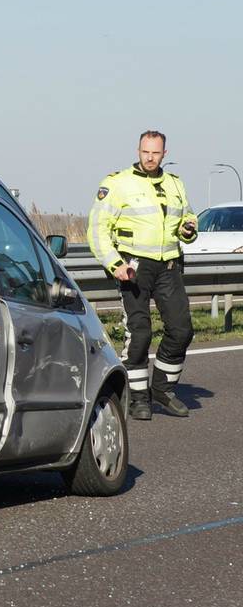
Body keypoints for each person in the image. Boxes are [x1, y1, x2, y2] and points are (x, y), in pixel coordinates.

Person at [87, 130, 197, 420]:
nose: (150, 157)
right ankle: (138, 398)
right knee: (140, 333)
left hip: (169, 264)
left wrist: (188, 228)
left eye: (156, 153)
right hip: (133, 267)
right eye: (145, 152)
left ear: (164, 154)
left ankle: (162, 389)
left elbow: (187, 218)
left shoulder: (175, 184)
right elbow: (97, 229)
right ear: (138, 150)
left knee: (182, 330)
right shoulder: (118, 183)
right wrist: (115, 264)